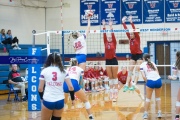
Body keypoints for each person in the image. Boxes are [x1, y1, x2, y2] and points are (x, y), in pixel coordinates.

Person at [38, 52, 75, 120]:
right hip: (60, 101)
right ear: (59, 60)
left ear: (49, 60)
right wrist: (72, 99)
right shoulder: (64, 71)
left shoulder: (44, 71)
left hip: (48, 100)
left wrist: (41, 98)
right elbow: (71, 87)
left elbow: (40, 88)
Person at [122, 16, 143, 92]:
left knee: (137, 70)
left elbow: (133, 29)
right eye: (130, 34)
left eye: (131, 34)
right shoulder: (130, 39)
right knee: (130, 70)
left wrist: (131, 22)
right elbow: (126, 31)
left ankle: (134, 84)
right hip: (133, 56)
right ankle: (127, 84)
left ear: (134, 34)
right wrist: (123, 22)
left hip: (139, 55)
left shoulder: (137, 38)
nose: (130, 35)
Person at [140, 54, 162, 119]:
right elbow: (157, 73)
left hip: (150, 81)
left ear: (143, 58)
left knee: (148, 99)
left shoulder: (142, 65)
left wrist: (148, 82)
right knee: (158, 98)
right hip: (158, 80)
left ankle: (145, 114)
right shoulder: (153, 63)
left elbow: (143, 76)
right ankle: (159, 113)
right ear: (149, 58)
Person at [102, 19, 118, 101]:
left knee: (114, 77)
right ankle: (111, 93)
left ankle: (115, 94)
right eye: (108, 37)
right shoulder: (105, 42)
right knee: (110, 77)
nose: (109, 38)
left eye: (110, 37)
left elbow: (113, 34)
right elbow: (104, 35)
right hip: (107, 60)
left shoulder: (114, 42)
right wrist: (104, 26)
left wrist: (111, 26)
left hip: (114, 60)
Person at [168, 51, 180, 120]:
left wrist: (170, 77)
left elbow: (174, 77)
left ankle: (177, 116)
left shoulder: (175, 64)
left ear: (177, 56)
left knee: (178, 100)